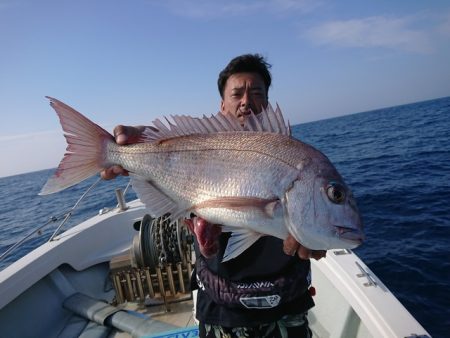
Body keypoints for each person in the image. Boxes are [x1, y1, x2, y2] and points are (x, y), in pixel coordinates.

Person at [102, 54, 326, 338]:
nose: (246, 100)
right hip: (222, 313)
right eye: (237, 93)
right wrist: (141, 144)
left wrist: (318, 235)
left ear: (267, 104)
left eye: (256, 93)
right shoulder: (199, 148)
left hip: (287, 307)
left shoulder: (293, 158)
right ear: (222, 106)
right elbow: (180, 149)